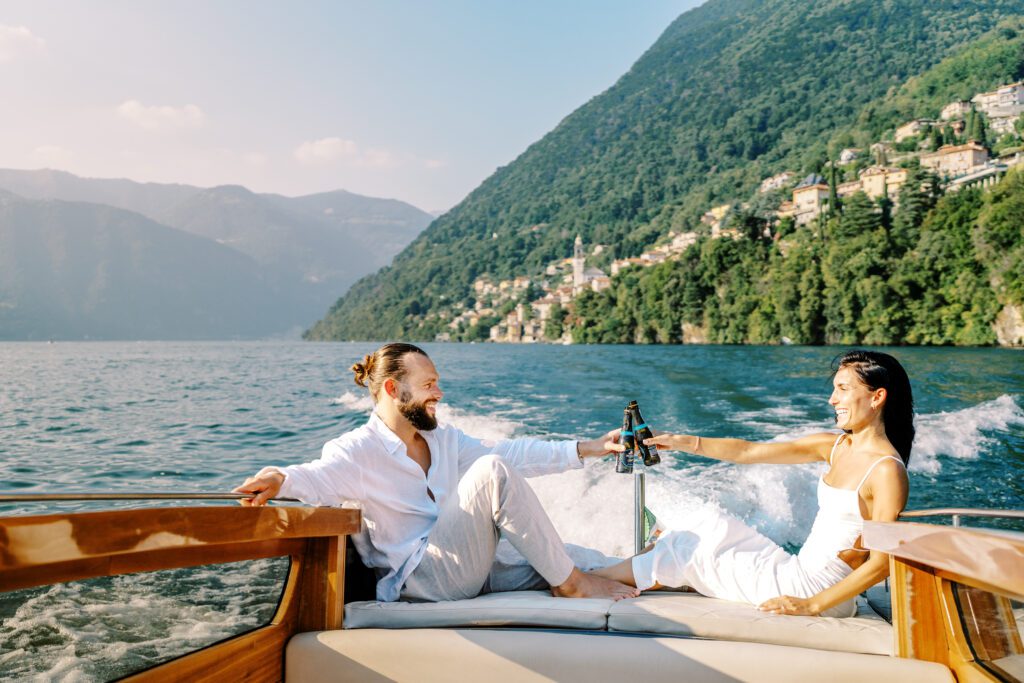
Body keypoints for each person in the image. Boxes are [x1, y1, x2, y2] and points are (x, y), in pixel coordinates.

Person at [235, 342, 638, 603]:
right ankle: (571, 586)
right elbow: (316, 476)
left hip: (473, 567)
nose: (439, 394)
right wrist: (276, 478)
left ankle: (674, 569)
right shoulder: (358, 450)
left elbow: (512, 451)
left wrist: (590, 448)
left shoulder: (443, 439)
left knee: (594, 561)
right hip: (424, 581)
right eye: (429, 384)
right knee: (493, 472)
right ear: (394, 390)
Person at [593, 349, 913, 618]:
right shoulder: (836, 446)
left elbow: (882, 563)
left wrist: (810, 605)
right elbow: (750, 451)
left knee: (683, 549)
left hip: (817, 592)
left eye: (843, 389)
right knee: (710, 527)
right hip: (797, 571)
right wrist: (679, 441)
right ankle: (621, 572)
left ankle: (586, 581)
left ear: (877, 397)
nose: (832, 399)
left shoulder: (886, 470)